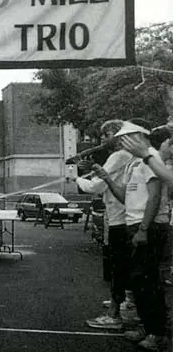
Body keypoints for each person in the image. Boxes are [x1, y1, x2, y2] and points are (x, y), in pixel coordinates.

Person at [93, 121, 170, 351]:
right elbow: (125, 196)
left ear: (139, 137)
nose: (121, 141)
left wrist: (144, 229)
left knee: (148, 281)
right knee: (139, 280)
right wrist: (106, 177)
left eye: (127, 137)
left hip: (148, 226)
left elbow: (155, 197)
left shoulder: (151, 158)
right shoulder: (135, 163)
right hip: (133, 223)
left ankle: (157, 333)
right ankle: (148, 327)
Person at [72, 120, 135, 330]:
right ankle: (127, 302)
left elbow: (95, 186)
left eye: (105, 135)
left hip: (120, 217)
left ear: (116, 136)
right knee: (125, 265)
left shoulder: (118, 156)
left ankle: (114, 315)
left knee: (117, 266)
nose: (101, 139)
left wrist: (76, 177)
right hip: (124, 216)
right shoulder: (128, 157)